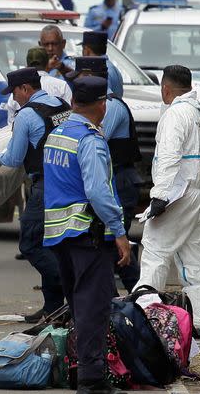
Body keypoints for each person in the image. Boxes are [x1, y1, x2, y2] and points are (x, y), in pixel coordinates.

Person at [42, 76, 130, 394]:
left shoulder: (57, 133)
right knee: (94, 308)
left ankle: (80, 369)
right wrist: (119, 231)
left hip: (60, 237)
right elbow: (98, 192)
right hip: (88, 235)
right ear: (101, 105)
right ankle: (92, 380)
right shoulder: (90, 140)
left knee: (79, 307)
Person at [134, 65, 200, 327]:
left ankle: (146, 315)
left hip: (179, 194)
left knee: (156, 251)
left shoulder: (175, 115)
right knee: (194, 260)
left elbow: (169, 156)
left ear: (165, 89)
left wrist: (159, 196)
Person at [0, 68, 70, 322]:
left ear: (25, 88)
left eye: (15, 92)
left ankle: (71, 289)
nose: (14, 99)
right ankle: (53, 308)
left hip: (45, 187)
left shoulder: (27, 115)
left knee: (31, 244)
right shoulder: (62, 105)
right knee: (54, 245)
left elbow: (13, 159)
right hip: (69, 182)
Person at [67, 57, 141, 291]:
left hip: (119, 181)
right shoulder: (100, 104)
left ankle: (143, 300)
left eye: (79, 77)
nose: (76, 83)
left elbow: (94, 136)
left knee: (116, 246)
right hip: (111, 179)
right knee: (111, 249)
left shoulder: (108, 106)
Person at [6, 47, 72, 126]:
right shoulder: (62, 86)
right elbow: (69, 117)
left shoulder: (17, 92)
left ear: (26, 66)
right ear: (48, 64)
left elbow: (11, 127)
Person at [79, 31, 123, 98]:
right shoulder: (111, 67)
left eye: (83, 49)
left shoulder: (98, 70)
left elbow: (105, 99)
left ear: (87, 50)